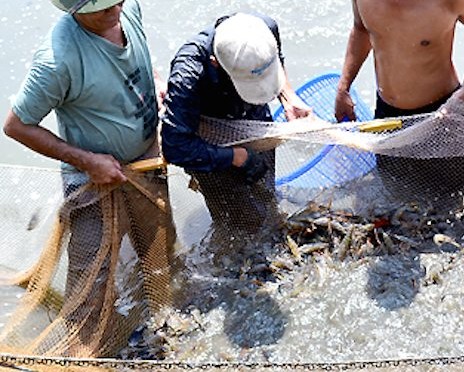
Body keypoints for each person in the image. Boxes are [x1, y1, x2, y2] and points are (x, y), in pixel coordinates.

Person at [3, 0, 176, 356]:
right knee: (89, 292)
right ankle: (90, 350)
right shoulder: (57, 60)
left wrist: (154, 82)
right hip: (94, 181)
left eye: (117, 0)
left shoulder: (128, 9)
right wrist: (87, 161)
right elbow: (16, 126)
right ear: (72, 9)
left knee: (161, 252)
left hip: (146, 161)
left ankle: (161, 324)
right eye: (101, 6)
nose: (115, 9)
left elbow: (137, 60)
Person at [161, 12, 311, 244]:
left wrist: (287, 96)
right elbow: (176, 147)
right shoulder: (188, 72)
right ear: (216, 63)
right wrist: (236, 157)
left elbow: (277, 59)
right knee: (237, 226)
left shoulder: (263, 29)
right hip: (211, 144)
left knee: (267, 202)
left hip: (255, 125)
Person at [334, 0, 464, 205]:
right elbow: (360, 29)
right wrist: (343, 87)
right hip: (388, 119)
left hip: (442, 116)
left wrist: (463, 94)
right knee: (397, 200)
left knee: (456, 201)